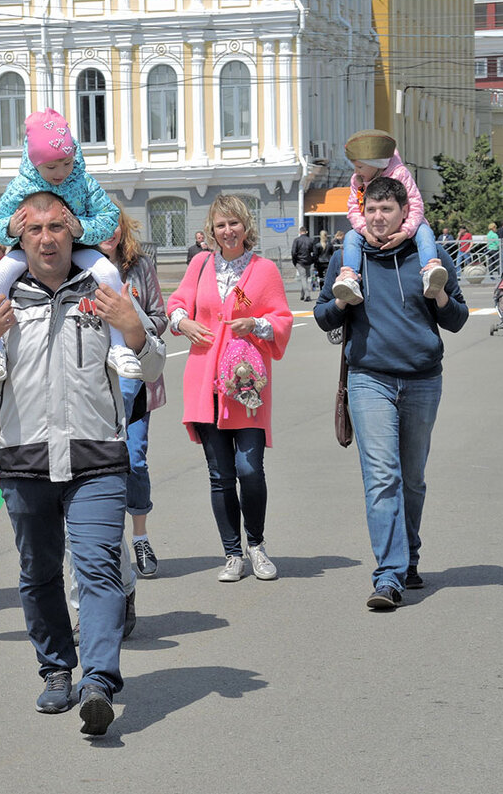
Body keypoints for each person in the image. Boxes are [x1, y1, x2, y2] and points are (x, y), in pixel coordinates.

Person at [0, 190, 166, 738]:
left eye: (57, 228)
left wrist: (134, 329)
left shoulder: (105, 288)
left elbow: (154, 361)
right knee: (39, 573)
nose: (47, 239)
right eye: (35, 230)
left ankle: (98, 681)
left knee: (97, 568)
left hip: (97, 455)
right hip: (24, 460)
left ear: (74, 232)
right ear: (19, 238)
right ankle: (56, 670)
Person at [314, 176, 468, 609]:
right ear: (362, 213)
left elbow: (457, 319)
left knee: (412, 479)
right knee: (383, 478)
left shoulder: (428, 256)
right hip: (370, 380)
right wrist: (344, 302)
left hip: (422, 380)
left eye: (387, 209)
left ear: (405, 212)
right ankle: (389, 576)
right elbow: (324, 315)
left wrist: (438, 297)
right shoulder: (351, 258)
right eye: (372, 210)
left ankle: (409, 558)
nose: (378, 218)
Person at [166, 194, 293, 583]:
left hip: (245, 385)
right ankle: (232, 554)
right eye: (221, 225)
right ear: (211, 231)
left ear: (245, 226)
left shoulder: (264, 269)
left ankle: (256, 544)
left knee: (249, 469)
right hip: (205, 380)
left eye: (234, 223)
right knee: (220, 475)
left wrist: (255, 325)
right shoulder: (201, 265)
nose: (228, 230)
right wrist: (181, 322)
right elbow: (177, 303)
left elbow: (282, 318)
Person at [0, 108, 137, 383]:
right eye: (51, 167)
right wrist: (10, 229)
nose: (61, 173)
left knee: (110, 274)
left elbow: (110, 216)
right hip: (26, 252)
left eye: (66, 163)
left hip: (78, 247)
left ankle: (119, 346)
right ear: (35, 162)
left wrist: (82, 229)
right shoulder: (21, 186)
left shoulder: (83, 181)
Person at [100, 205, 167, 577]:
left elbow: (161, 316)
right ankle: (111, 544)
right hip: (94, 379)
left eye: (115, 224)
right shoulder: (81, 266)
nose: (109, 232)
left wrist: (133, 318)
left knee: (135, 459)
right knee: (100, 466)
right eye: (101, 224)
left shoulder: (139, 265)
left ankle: (140, 537)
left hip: (136, 378)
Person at [332, 130, 446, 305]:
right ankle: (350, 278)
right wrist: (364, 230)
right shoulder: (357, 180)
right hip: (369, 228)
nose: (356, 171)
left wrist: (406, 231)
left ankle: (430, 269)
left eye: (360, 167)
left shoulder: (400, 174)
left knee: (425, 233)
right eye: (354, 166)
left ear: (377, 164)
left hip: (409, 224)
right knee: (351, 237)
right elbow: (354, 208)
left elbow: (415, 205)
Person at [290, 226, 316, 301]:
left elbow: (293, 252)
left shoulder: (297, 240)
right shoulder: (311, 240)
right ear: (306, 232)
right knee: (305, 278)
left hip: (299, 261)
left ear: (300, 232)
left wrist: (294, 261)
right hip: (308, 261)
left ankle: (307, 295)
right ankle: (303, 294)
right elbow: (314, 252)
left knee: (303, 278)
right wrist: (312, 260)